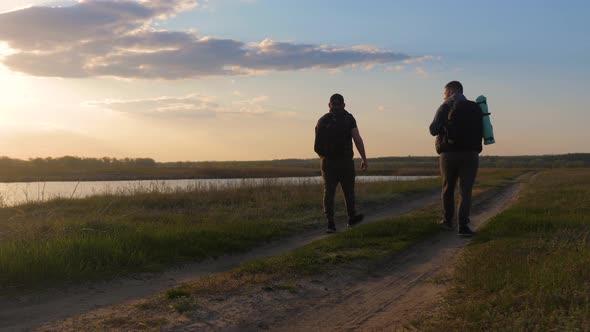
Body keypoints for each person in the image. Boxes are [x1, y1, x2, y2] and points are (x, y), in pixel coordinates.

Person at [429, 81, 483, 237]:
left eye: (444, 92)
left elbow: (433, 129)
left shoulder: (445, 106)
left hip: (449, 154)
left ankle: (447, 221)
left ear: (451, 91)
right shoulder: (476, 107)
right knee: (466, 191)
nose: (444, 95)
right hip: (471, 155)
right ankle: (463, 226)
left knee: (448, 188)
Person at [314, 93, 368, 233]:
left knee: (329, 193)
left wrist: (324, 158)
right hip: (345, 162)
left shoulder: (322, 121)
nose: (337, 107)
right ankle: (351, 218)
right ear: (343, 105)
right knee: (348, 192)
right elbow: (357, 138)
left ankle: (331, 224)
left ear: (329, 105)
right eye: (337, 105)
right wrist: (364, 158)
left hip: (328, 163)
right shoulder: (348, 118)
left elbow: (316, 147)